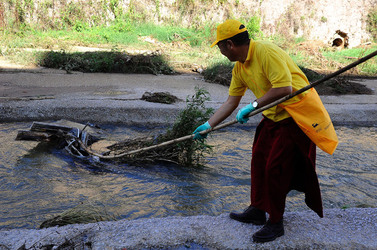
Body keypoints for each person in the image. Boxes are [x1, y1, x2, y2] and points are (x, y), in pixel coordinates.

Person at [193, 19, 326, 243]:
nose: (220, 51)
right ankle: (257, 209)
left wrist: (253, 105)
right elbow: (231, 102)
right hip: (272, 117)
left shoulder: (266, 52)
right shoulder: (240, 67)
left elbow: (285, 88)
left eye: (220, 46)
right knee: (259, 161)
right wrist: (209, 125)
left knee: (276, 168)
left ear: (230, 45)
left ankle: (275, 222)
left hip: (295, 117)